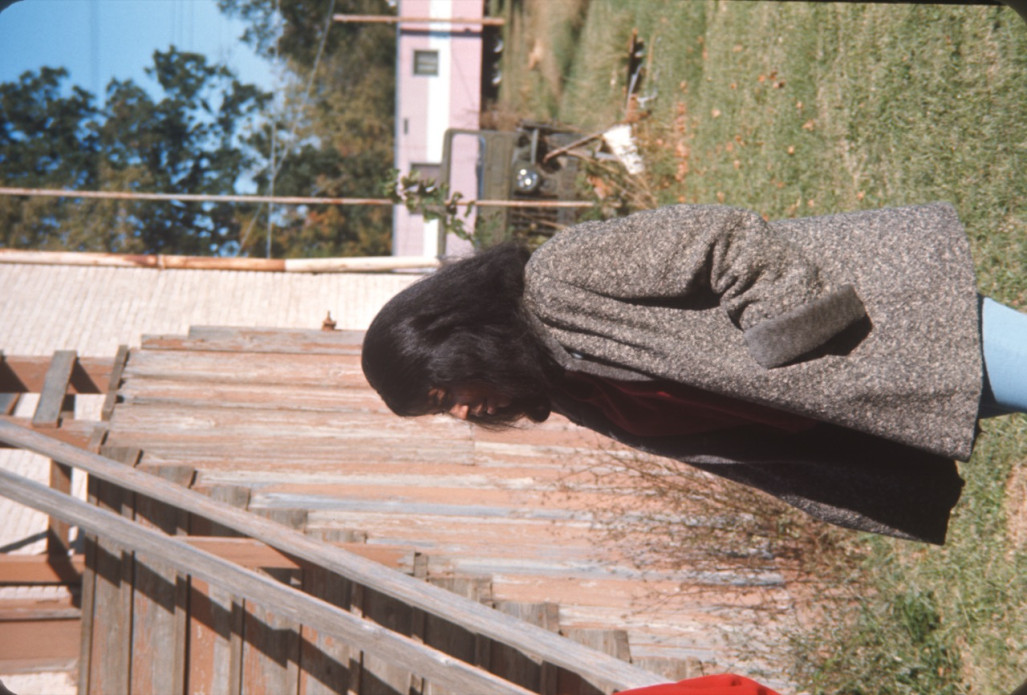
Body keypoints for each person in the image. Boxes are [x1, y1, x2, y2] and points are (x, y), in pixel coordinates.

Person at [362, 203, 1027, 544]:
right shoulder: (567, 391)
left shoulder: (558, 279)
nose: (458, 412)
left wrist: (791, 336)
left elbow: (721, 237)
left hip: (882, 331)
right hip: (871, 403)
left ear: (448, 335)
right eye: (438, 411)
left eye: (439, 393)